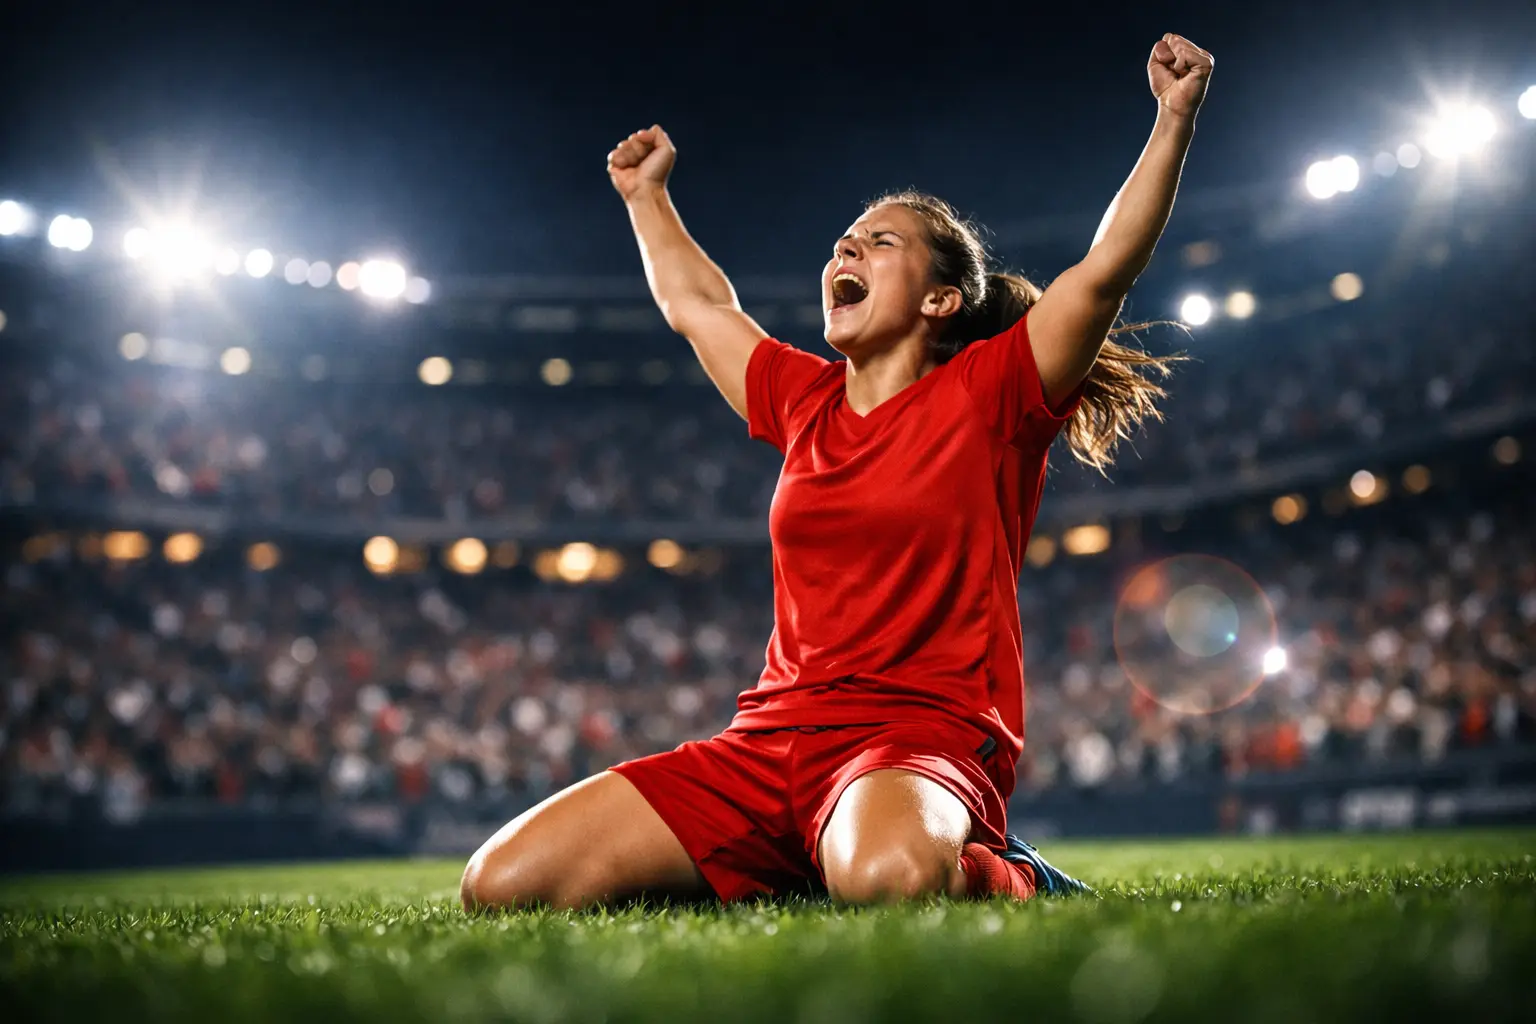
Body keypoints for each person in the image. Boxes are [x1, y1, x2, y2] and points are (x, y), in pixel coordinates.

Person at [462, 32, 1212, 910]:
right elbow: (699, 306)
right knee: (501, 886)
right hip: (767, 741)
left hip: (913, 741)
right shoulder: (801, 397)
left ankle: (1012, 872)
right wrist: (645, 196)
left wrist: (1172, 119)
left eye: (878, 243)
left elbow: (1104, 273)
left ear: (940, 300)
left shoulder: (991, 393)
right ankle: (780, 858)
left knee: (886, 881)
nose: (843, 253)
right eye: (843, 242)